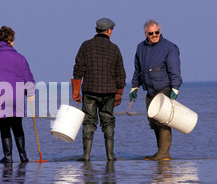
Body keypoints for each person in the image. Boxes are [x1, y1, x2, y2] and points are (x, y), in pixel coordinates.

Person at [72, 18, 126, 161]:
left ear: (97, 30)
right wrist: (119, 94)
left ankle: (86, 156)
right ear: (109, 31)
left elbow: (78, 70)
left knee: (89, 123)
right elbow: (120, 74)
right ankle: (110, 155)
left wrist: (75, 92)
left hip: (89, 91)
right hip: (109, 92)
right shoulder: (114, 49)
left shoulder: (86, 46)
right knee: (108, 122)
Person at [0, 26, 35, 163]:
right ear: (10, 40)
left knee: (4, 127)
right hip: (17, 95)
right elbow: (28, 77)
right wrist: (30, 92)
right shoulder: (20, 57)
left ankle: (8, 156)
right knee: (17, 125)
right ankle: (23, 156)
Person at [129, 19, 182, 161]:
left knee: (163, 121)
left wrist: (175, 89)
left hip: (164, 89)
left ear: (160, 30)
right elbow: (138, 70)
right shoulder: (141, 48)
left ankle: (164, 153)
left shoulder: (169, 47)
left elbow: (174, 70)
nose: (154, 35)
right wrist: (134, 86)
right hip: (150, 91)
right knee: (153, 122)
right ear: (146, 34)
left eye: (156, 32)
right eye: (151, 33)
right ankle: (160, 151)